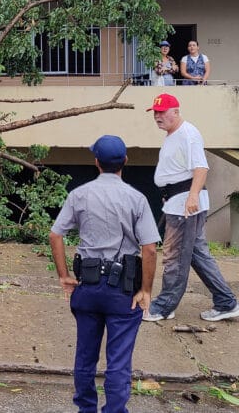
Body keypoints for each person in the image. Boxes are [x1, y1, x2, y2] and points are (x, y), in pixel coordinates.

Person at [50, 135, 159, 413]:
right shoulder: (137, 198)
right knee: (119, 361)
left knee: (85, 357)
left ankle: (86, 408)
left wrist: (64, 276)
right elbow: (149, 249)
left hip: (87, 288)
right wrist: (145, 290)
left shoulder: (79, 195)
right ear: (125, 161)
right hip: (122, 292)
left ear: (96, 162)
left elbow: (56, 234)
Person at [142, 93, 238, 323]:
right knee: (196, 254)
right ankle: (226, 302)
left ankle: (164, 307)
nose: (157, 116)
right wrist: (170, 195)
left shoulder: (188, 134)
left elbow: (201, 168)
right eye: (155, 112)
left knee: (174, 257)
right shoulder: (173, 135)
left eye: (162, 112)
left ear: (175, 111)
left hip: (186, 205)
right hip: (178, 201)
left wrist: (192, 196)